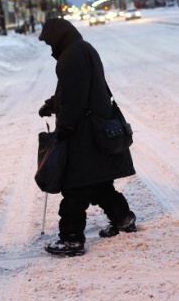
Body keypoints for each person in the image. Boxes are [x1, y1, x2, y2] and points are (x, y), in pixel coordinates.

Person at [37, 18, 137, 257]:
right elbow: (74, 89)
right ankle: (123, 218)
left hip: (84, 132)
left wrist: (64, 127)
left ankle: (71, 239)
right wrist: (52, 104)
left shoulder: (72, 55)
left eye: (51, 42)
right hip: (93, 130)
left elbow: (74, 96)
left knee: (76, 187)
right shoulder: (82, 49)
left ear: (60, 38)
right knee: (99, 182)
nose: (50, 48)